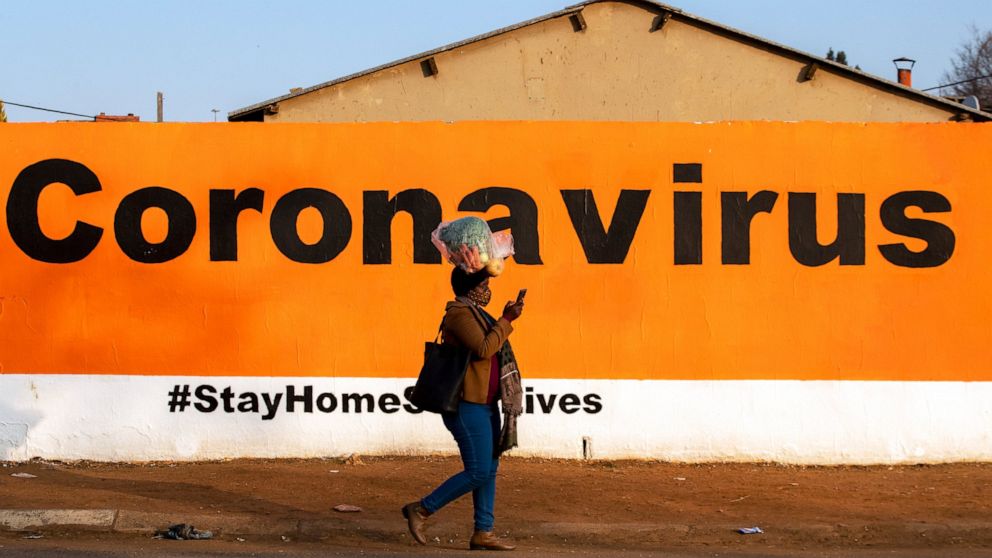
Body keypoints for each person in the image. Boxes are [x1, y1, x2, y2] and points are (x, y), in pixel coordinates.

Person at [403, 265, 525, 551]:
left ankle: (484, 531)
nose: (486, 290)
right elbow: (484, 349)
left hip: (485, 404)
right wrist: (507, 319)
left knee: (489, 469)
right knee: (478, 471)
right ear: (469, 288)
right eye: (483, 285)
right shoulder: (459, 314)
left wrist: (504, 318)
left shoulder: (477, 313)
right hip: (466, 405)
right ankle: (421, 509)